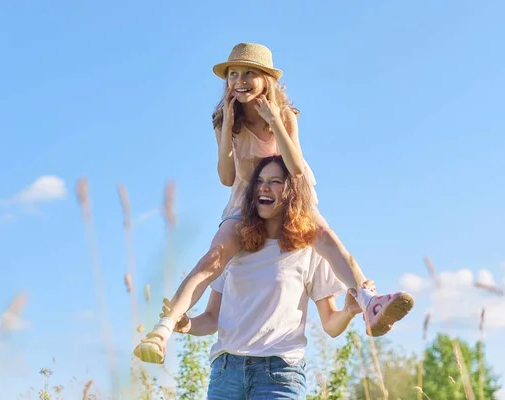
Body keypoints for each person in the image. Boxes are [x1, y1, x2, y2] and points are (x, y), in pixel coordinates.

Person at [134, 43, 413, 364]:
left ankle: (369, 303)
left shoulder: (286, 115)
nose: (238, 80)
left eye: (248, 73)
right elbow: (226, 177)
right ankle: (163, 330)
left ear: (266, 78)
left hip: (291, 194)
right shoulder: (224, 120)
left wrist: (275, 121)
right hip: (247, 198)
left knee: (327, 239)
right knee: (212, 259)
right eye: (232, 74)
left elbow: (295, 166)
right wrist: (226, 127)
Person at [168, 155, 367, 399]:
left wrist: (348, 312)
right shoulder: (234, 245)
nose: (264, 187)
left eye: (274, 181)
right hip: (226, 374)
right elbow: (212, 318)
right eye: (260, 181)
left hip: (280, 375)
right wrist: (187, 324)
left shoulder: (308, 249)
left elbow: (330, 325)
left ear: (292, 193)